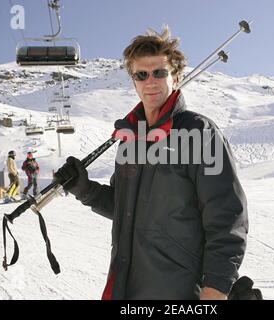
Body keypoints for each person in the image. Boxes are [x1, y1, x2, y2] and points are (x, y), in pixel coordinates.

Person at [54, 26, 248, 300]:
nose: (150, 81)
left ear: (176, 76)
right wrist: (84, 189)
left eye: (159, 72)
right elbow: (127, 209)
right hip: (127, 288)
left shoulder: (199, 133)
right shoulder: (129, 140)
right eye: (141, 75)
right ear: (133, 81)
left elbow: (227, 217)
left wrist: (215, 290)